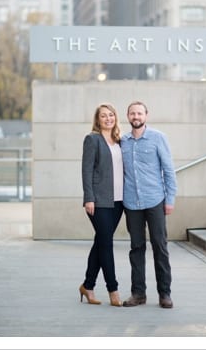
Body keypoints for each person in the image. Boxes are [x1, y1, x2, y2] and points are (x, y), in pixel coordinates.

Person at [120, 101, 177, 309]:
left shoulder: (158, 138)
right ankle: (138, 293)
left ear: (146, 115)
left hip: (155, 200)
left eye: (139, 113)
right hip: (131, 203)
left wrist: (170, 199)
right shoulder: (123, 141)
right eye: (132, 113)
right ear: (128, 116)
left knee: (160, 247)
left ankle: (165, 293)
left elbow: (169, 170)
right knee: (136, 248)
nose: (136, 116)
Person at [79, 103, 124, 307]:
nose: (108, 118)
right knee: (106, 244)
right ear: (98, 120)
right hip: (98, 201)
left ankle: (87, 286)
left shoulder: (119, 141)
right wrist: (89, 197)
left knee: (101, 243)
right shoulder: (92, 139)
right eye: (104, 116)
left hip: (119, 201)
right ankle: (112, 289)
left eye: (111, 115)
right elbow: (86, 170)